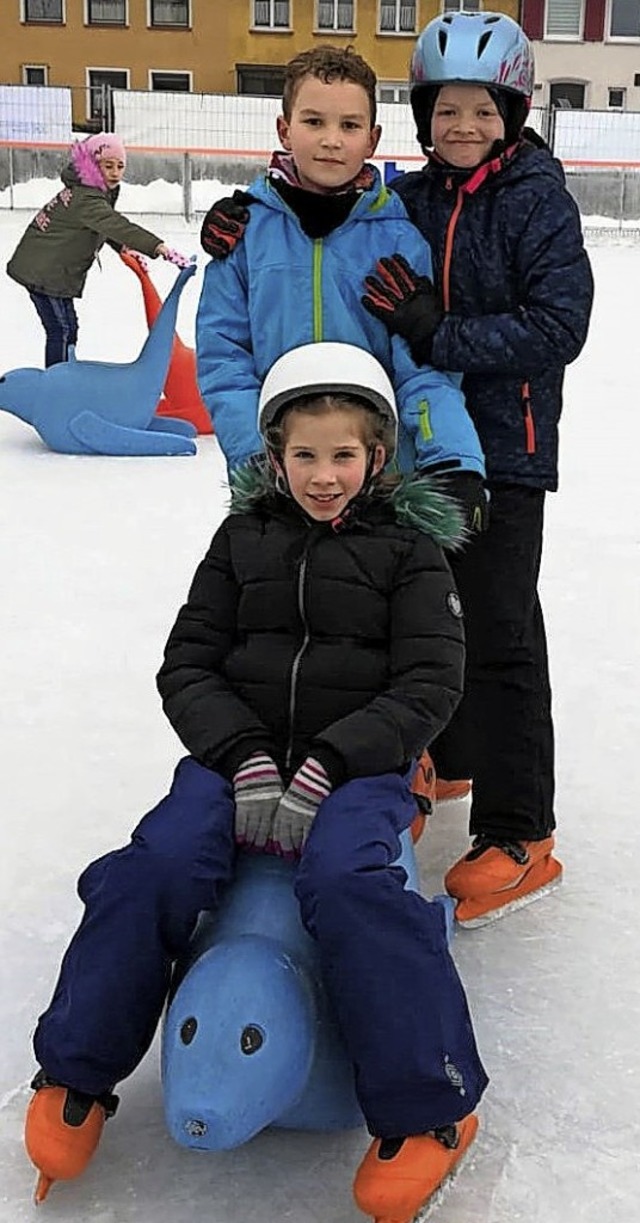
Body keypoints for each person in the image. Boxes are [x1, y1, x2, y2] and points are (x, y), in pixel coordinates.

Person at [24, 342, 488, 1222]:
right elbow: (187, 661)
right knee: (154, 864)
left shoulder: (411, 553)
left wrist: (335, 760)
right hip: (232, 757)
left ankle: (429, 1105)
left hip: (355, 771)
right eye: (304, 455)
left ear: (376, 455)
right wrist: (241, 753)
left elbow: (431, 682)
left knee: (353, 883)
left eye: (342, 454)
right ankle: (77, 1068)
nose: (323, 475)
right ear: (275, 456)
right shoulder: (242, 539)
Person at [358, 11, 595, 925]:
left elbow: (558, 326)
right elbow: (334, 232)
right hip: (421, 449)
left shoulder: (538, 199)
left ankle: (519, 826)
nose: (462, 126)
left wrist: (440, 332)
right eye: (445, 109)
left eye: (480, 110)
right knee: (423, 608)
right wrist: (242, 220)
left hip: (509, 454)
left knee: (499, 632)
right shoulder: (414, 199)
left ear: (514, 110)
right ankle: (449, 761)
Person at [197, 45, 488, 536]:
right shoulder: (244, 233)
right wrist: (258, 459)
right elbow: (224, 357)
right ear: (284, 129)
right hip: (283, 473)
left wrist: (454, 458)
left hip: (376, 478)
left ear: (372, 138)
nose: (332, 140)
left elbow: (424, 368)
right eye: (314, 122)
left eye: (350, 126)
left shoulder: (398, 239)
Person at [6, 132, 190, 367]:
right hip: (42, 270)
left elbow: (103, 224)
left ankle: (65, 373)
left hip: (54, 269)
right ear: (92, 166)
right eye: (108, 165)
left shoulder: (93, 190)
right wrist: (157, 246)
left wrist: (122, 247)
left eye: (120, 166)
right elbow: (117, 224)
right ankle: (56, 384)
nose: (115, 172)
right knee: (60, 328)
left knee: (69, 327)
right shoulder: (86, 197)